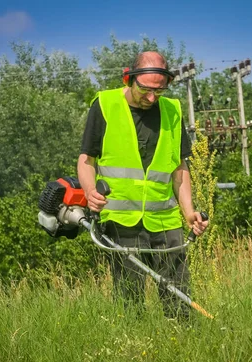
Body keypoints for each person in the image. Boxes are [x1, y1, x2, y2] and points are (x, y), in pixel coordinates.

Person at [77, 51, 208, 320]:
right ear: (129, 79)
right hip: (121, 220)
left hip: (166, 220)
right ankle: (134, 352)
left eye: (158, 91)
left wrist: (189, 214)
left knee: (178, 297)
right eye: (145, 90)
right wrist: (90, 193)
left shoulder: (172, 110)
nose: (151, 97)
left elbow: (179, 168)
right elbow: (86, 160)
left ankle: (182, 344)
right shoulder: (105, 105)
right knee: (130, 302)